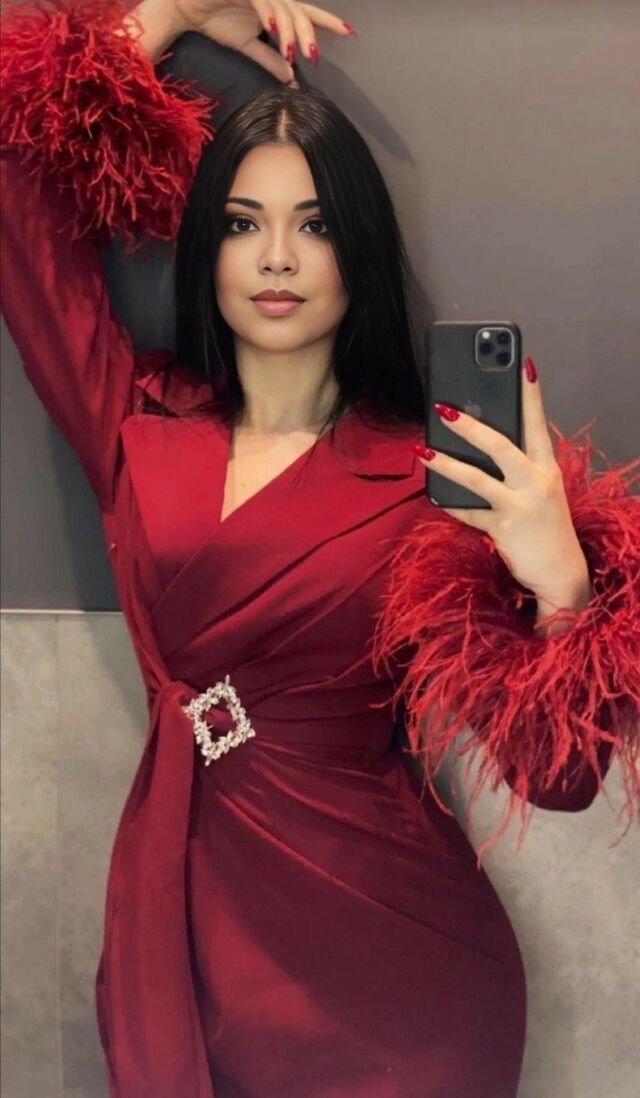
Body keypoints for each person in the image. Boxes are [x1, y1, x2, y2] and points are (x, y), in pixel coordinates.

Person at [1, 1, 638, 1096]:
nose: (277, 258)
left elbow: (560, 781)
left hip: (404, 972)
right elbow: (20, 190)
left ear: (359, 249)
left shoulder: (426, 475)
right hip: (186, 923)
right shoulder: (138, 420)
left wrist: (559, 582)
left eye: (316, 224)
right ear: (207, 246)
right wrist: (169, 12)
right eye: (243, 222)